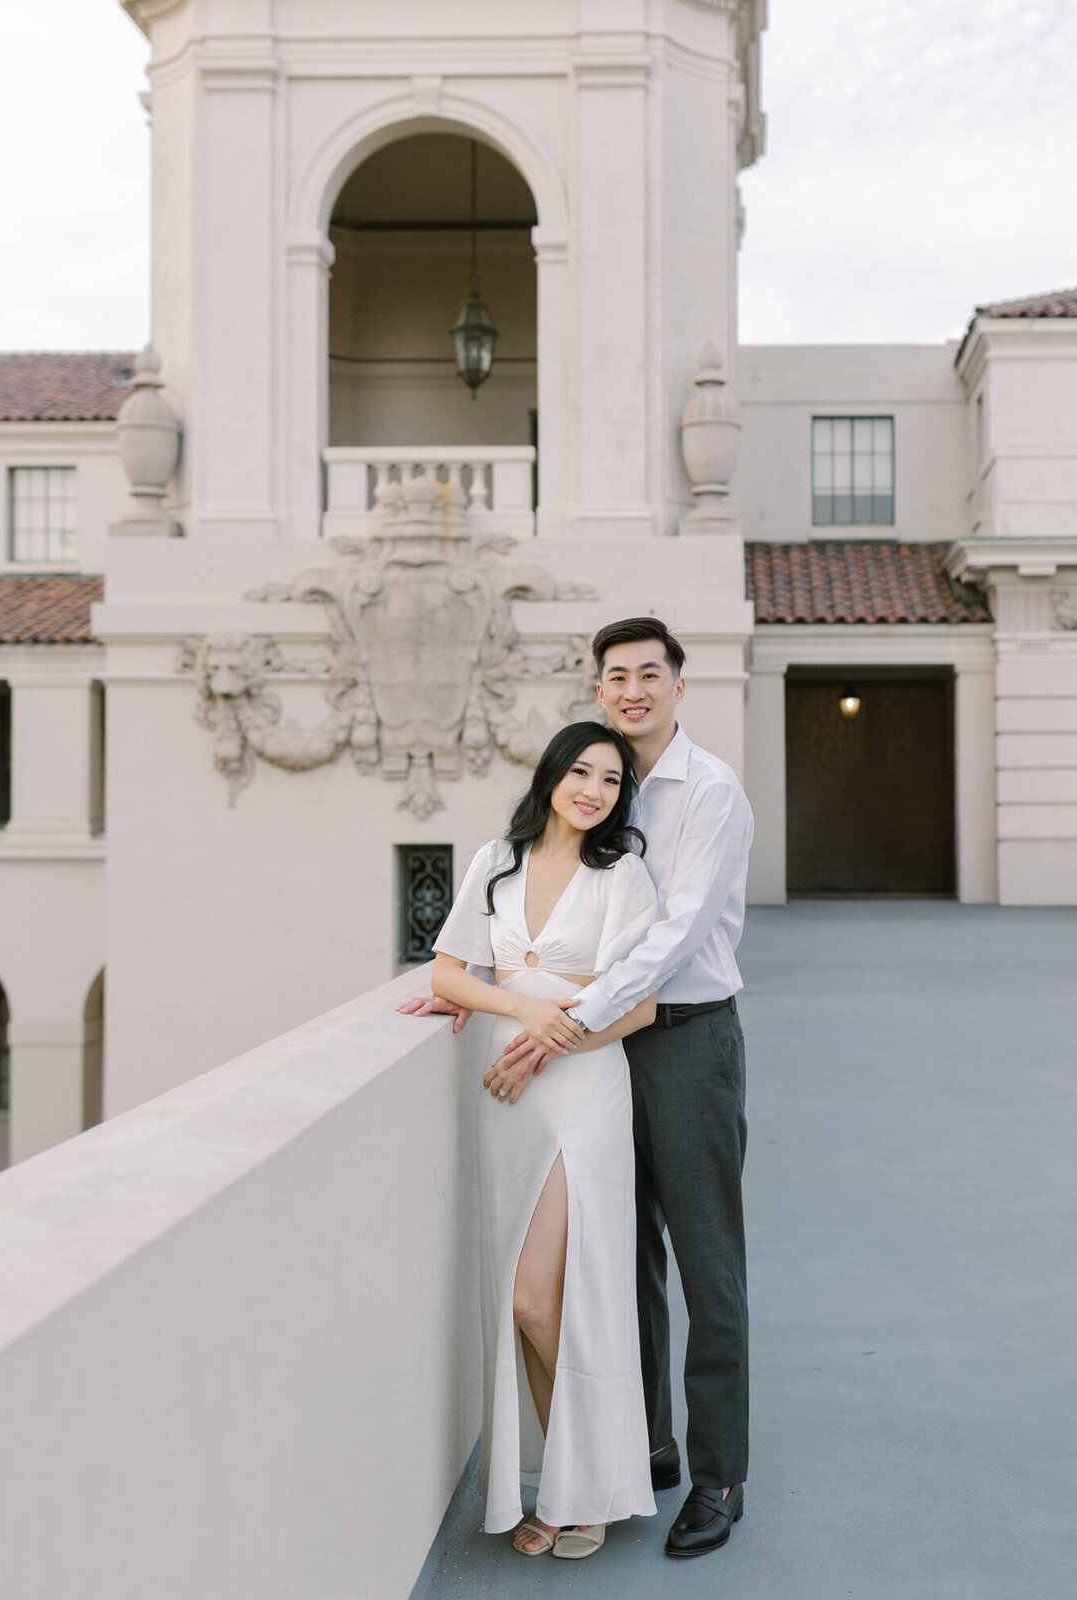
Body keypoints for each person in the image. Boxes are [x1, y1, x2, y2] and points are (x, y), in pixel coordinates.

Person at [485, 618, 755, 1559]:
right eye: (616, 677)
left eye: (649, 673)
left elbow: (673, 937)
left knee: (707, 1263)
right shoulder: (603, 783)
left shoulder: (710, 791)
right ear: (599, 691)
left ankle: (719, 1477)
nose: (632, 689)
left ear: (679, 684)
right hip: (599, 1052)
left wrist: (562, 1022)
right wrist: (489, 989)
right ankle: (646, 1447)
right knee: (620, 1259)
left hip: (682, 1041)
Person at [424, 721, 660, 1559]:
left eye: (612, 781)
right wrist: (520, 1006)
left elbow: (638, 1005)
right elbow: (448, 971)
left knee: (543, 1297)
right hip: (509, 1097)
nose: (594, 791)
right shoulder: (497, 861)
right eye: (582, 772)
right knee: (532, 1306)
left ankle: (589, 1480)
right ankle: (570, 1488)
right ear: (553, 775)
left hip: (581, 1090)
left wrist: (543, 1042)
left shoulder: (623, 875)